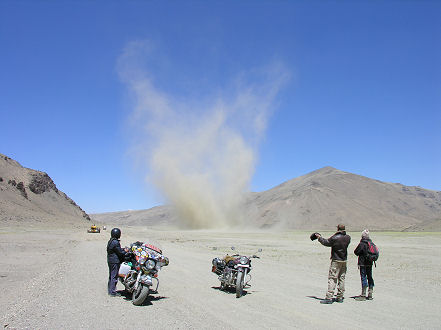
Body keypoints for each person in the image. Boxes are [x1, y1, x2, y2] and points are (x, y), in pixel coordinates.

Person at [315, 224, 351, 304]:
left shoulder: (335, 238)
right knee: (342, 278)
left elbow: (326, 242)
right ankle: (340, 297)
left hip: (336, 260)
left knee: (332, 278)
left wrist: (319, 237)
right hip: (344, 260)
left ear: (338, 229)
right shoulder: (348, 238)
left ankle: (329, 297)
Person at [354, 229, 374, 301]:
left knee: (363, 277)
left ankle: (363, 295)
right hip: (370, 263)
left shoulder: (362, 243)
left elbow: (356, 252)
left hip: (363, 263)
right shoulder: (371, 243)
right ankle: (370, 294)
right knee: (370, 277)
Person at [107, 228, 128, 296]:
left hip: (110, 260)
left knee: (111, 275)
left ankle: (110, 290)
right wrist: (126, 251)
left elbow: (116, 250)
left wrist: (123, 249)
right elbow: (120, 253)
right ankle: (112, 292)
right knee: (114, 276)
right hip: (115, 261)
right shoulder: (116, 242)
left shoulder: (111, 241)